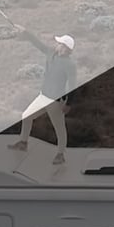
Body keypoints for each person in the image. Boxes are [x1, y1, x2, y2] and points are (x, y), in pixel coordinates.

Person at [10, 26, 76, 164]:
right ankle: (23, 143)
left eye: (60, 44)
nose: (57, 45)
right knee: (26, 116)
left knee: (59, 129)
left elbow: (73, 86)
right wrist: (26, 32)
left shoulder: (70, 65)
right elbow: (37, 43)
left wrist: (68, 103)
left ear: (65, 48)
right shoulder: (50, 52)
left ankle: (60, 155)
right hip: (42, 96)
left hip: (55, 102)